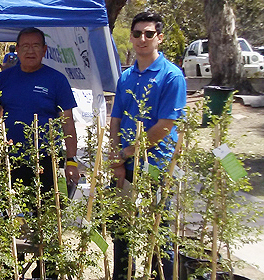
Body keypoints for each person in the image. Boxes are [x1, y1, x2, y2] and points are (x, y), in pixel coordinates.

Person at [0, 27, 79, 279]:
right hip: (10, 160)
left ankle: (47, 270)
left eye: (36, 46)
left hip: (44, 160)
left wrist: (71, 159)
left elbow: (67, 122)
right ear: (17, 49)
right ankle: (12, 265)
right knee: (11, 216)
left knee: (46, 216)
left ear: (45, 50)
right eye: (25, 46)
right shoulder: (3, 79)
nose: (30, 50)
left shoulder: (56, 80)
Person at [109, 11, 186, 280]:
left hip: (157, 168)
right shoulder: (126, 77)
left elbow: (166, 124)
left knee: (158, 231)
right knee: (121, 229)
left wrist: (129, 151)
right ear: (131, 37)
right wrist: (117, 160)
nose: (142, 38)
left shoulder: (171, 76)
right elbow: (115, 118)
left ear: (159, 38)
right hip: (125, 167)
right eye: (137, 33)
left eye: (149, 33)